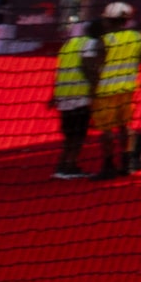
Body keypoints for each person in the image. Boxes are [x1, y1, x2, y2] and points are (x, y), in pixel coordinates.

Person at [88, 1, 141, 179]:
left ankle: (108, 166)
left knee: (106, 131)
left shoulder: (105, 40)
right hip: (127, 89)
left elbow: (96, 67)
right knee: (126, 127)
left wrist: (92, 91)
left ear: (108, 21)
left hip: (106, 91)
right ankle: (128, 163)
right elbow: (140, 58)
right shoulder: (138, 37)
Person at [50, 17, 102, 179]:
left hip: (63, 93)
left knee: (69, 134)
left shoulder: (69, 43)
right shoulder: (91, 44)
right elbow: (89, 68)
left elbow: (60, 68)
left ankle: (62, 164)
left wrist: (53, 94)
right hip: (80, 94)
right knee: (78, 134)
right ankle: (70, 165)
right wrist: (95, 92)